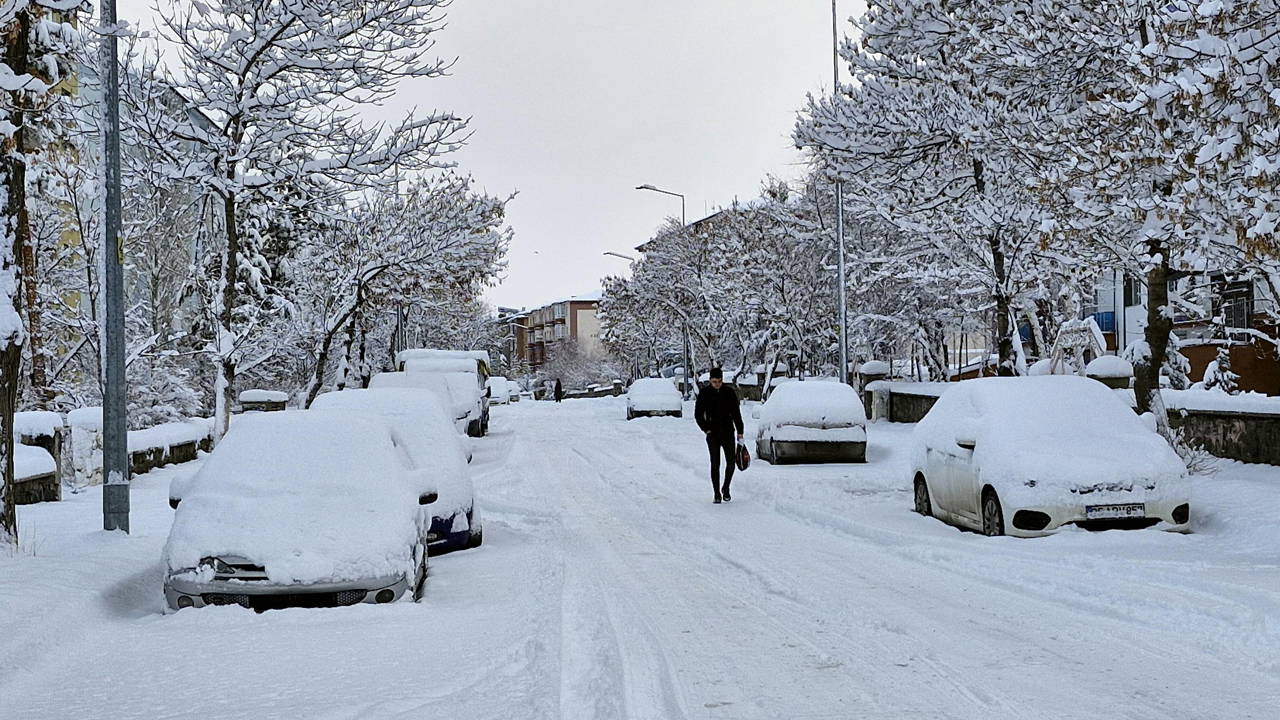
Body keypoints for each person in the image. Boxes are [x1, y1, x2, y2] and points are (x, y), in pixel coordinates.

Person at [694, 368, 743, 504]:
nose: (717, 384)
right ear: (710, 380)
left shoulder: (729, 392)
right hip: (713, 433)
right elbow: (698, 414)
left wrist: (740, 431)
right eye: (714, 381)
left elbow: (736, 413)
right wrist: (706, 428)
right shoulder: (704, 393)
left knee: (731, 462)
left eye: (719, 381)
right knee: (715, 463)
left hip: (728, 432)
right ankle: (716, 492)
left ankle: (726, 488)